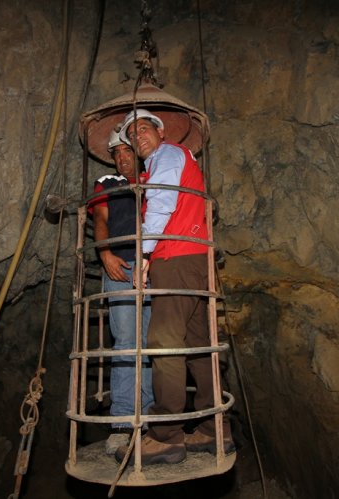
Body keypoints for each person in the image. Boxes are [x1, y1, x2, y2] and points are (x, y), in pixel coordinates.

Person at [114, 109, 234, 465]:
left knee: (164, 343)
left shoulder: (167, 155)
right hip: (196, 259)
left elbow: (162, 201)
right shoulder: (175, 160)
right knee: (198, 344)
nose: (138, 136)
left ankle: (165, 435)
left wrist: (145, 254)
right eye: (132, 133)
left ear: (161, 132)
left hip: (175, 257)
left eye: (144, 129)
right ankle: (215, 428)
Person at [90, 129, 154, 454]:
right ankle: (123, 423)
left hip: (153, 267)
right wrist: (104, 253)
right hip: (121, 264)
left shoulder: (154, 177)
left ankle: (149, 420)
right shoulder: (107, 184)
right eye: (116, 153)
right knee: (128, 341)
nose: (121, 157)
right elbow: (100, 218)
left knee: (150, 344)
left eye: (126, 151)